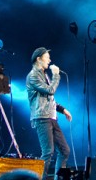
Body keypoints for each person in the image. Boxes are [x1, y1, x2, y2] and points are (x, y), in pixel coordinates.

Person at [26, 47, 72, 180]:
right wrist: (56, 75)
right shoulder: (33, 76)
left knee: (65, 151)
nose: (50, 60)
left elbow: (49, 99)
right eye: (47, 57)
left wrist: (62, 109)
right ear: (38, 59)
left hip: (51, 117)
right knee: (48, 152)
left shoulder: (44, 74)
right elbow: (50, 90)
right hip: (41, 118)